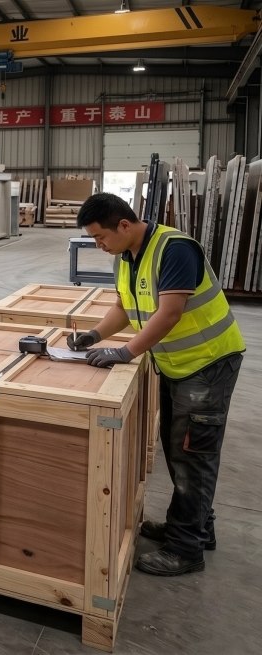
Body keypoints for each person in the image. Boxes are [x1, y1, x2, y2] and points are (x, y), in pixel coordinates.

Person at [70, 192, 244, 577]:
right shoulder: (126, 256)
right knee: (179, 449)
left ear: (124, 225)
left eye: (101, 237)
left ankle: (186, 549)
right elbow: (124, 307)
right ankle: (195, 528)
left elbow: (170, 313)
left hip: (208, 363)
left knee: (192, 456)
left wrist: (125, 352)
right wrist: (94, 335)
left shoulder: (175, 249)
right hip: (177, 365)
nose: (99, 246)